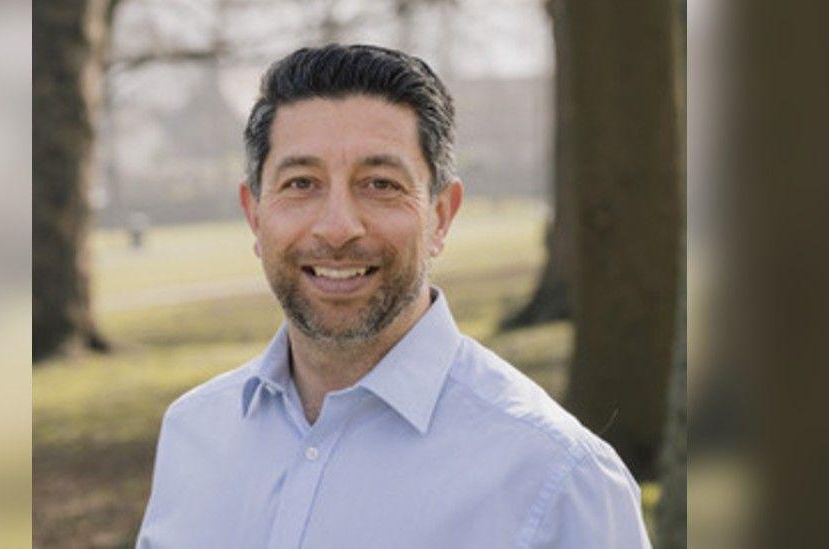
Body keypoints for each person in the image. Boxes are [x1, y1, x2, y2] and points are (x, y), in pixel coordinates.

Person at [137, 44, 651, 548]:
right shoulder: (193, 432)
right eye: (301, 183)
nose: (338, 228)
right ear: (255, 215)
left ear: (441, 217)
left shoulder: (558, 478)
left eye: (380, 184)